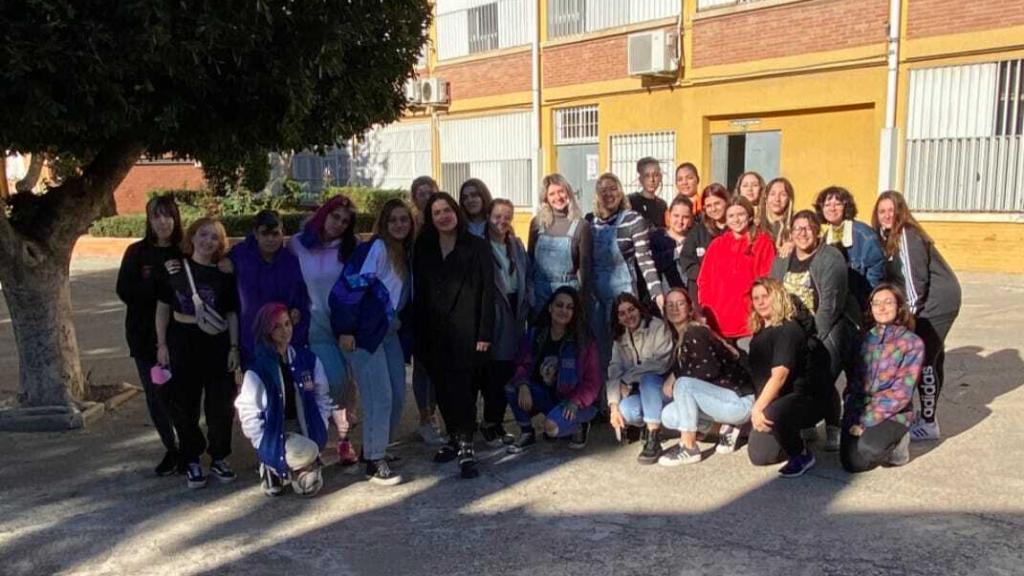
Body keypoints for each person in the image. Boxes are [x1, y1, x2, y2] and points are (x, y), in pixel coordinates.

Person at [331, 199, 415, 485]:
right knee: (379, 395)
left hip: (389, 332)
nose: (399, 225)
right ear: (383, 223)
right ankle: (374, 460)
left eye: (404, 219)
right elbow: (349, 288)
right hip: (364, 334)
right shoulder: (375, 249)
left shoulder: (404, 253)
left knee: (397, 394)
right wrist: (345, 328)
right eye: (393, 220)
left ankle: (375, 448)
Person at [413, 192, 495, 479]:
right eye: (436, 213)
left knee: (463, 390)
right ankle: (452, 438)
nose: (443, 216)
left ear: (455, 212)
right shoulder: (423, 247)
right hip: (433, 332)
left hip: (467, 330)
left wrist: (485, 332)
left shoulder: (477, 246)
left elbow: (487, 292)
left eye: (447, 210)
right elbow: (419, 293)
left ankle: (466, 444)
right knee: (442, 389)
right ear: (430, 219)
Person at [154, 217, 240, 489]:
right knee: (184, 405)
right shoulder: (176, 270)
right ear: (192, 237)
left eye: (214, 237)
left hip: (216, 342)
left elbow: (231, 312)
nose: (208, 241)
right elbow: (163, 309)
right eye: (203, 235)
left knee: (221, 406)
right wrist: (162, 344)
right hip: (183, 340)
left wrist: (234, 347)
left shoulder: (224, 273)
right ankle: (191, 458)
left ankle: (218, 457)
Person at [872, 190, 961, 441]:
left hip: (936, 303)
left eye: (891, 211)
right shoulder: (886, 237)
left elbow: (914, 284)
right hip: (926, 302)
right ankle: (927, 416)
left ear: (901, 212)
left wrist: (905, 320)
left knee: (924, 359)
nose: (887, 216)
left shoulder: (907, 236)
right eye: (882, 212)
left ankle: (929, 422)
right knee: (932, 355)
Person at [770, 210, 859, 451]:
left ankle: (833, 424)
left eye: (808, 228)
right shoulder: (783, 258)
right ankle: (805, 421)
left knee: (822, 371)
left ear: (817, 231)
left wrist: (812, 340)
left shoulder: (830, 258)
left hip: (826, 327)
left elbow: (830, 305)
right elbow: (773, 292)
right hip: (792, 329)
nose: (802, 233)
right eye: (797, 228)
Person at [288, 195, 360, 465]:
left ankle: (343, 439)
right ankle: (327, 430)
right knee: (334, 381)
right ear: (324, 214)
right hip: (314, 325)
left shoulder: (352, 247)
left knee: (349, 383)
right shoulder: (297, 244)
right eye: (335, 216)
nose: (339, 224)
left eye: (345, 221)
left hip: (344, 325)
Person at [116, 195, 184, 476]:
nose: (163, 221)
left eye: (168, 215)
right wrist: (157, 277)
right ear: (149, 220)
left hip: (181, 338)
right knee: (157, 396)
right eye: (156, 216)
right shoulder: (136, 253)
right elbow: (126, 292)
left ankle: (189, 447)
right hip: (144, 339)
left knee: (182, 396)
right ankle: (172, 448)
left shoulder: (185, 250)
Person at [235, 303, 333, 496]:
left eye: (287, 324)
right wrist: (263, 442)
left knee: (309, 487)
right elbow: (247, 411)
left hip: (304, 428)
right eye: (277, 326)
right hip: (277, 432)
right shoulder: (259, 369)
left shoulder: (307, 360)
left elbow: (322, 395)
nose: (285, 331)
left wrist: (320, 423)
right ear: (267, 330)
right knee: (285, 481)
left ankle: (296, 468)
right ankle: (272, 465)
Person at [658, 289, 755, 466]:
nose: (674, 308)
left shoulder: (696, 333)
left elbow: (709, 370)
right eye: (670, 305)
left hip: (739, 401)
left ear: (689, 308)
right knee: (668, 415)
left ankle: (689, 447)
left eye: (680, 303)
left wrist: (677, 378)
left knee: (684, 386)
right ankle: (727, 428)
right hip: (721, 403)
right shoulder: (680, 337)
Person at [745, 278, 830, 478]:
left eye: (766, 296)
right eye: (756, 298)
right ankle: (788, 432)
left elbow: (780, 376)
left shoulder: (787, 329)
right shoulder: (759, 333)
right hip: (776, 401)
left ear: (778, 296)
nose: (761, 302)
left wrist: (757, 408)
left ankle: (801, 454)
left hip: (801, 398)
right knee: (760, 455)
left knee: (770, 414)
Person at [505, 287, 601, 453]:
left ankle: (579, 425)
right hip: (547, 395)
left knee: (551, 429)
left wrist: (575, 401)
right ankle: (527, 433)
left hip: (574, 402)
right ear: (550, 308)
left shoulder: (584, 341)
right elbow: (522, 363)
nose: (564, 310)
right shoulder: (536, 334)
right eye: (559, 305)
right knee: (512, 388)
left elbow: (593, 382)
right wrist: (523, 384)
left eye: (569, 307)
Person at [585, 172, 663, 374]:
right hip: (597, 299)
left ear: (620, 192)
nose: (608, 194)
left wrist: (658, 294)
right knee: (600, 350)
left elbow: (645, 260)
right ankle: (603, 399)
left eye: (613, 188)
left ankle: (629, 393)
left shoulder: (633, 220)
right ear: (597, 195)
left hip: (624, 297)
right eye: (603, 190)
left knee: (627, 347)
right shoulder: (589, 222)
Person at [841, 284, 924, 472]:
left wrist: (866, 421)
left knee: (869, 449)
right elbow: (852, 381)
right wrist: (851, 413)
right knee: (853, 463)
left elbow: (901, 393)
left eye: (888, 302)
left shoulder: (911, 343)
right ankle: (868, 437)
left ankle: (899, 444)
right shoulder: (862, 338)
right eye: (876, 303)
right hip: (860, 408)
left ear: (899, 307)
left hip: (893, 412)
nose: (882, 308)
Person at [226, 209, 309, 366]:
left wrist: (297, 310)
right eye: (265, 234)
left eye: (275, 234)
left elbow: (300, 296)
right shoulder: (240, 255)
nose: (270, 239)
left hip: (282, 339)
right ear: (256, 233)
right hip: (250, 338)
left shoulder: (290, 262)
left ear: (282, 234)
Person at [482, 198, 530, 446]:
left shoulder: (515, 244)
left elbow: (525, 274)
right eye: (497, 216)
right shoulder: (481, 246)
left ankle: (498, 422)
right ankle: (490, 422)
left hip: (515, 311)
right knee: (496, 372)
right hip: (495, 312)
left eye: (507, 216)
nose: (502, 221)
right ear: (488, 217)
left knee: (510, 369)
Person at [697, 196, 776, 347]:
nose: (736, 219)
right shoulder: (717, 245)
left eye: (741, 214)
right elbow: (704, 280)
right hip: (718, 324)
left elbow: (768, 281)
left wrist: (762, 314)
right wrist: (706, 309)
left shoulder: (763, 242)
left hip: (749, 323)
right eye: (731, 216)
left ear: (750, 216)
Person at [606, 294, 674, 464]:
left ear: (639, 309)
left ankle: (653, 437)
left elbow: (660, 364)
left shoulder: (658, 327)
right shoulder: (620, 339)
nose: (628, 316)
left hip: (666, 389)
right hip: (641, 394)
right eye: (622, 313)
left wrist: (627, 379)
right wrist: (613, 407)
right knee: (626, 409)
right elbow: (614, 370)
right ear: (617, 318)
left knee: (649, 380)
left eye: (631, 309)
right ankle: (647, 424)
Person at [408, 175, 444, 445]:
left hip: (444, 307)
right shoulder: (409, 227)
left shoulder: (444, 222)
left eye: (429, 191)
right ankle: (426, 417)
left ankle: (440, 414)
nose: (425, 196)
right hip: (417, 306)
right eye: (420, 193)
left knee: (440, 365)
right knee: (422, 366)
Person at [528, 173, 592, 315]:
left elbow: (585, 270)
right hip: (540, 295)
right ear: (546, 198)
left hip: (568, 297)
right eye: (552, 194)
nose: (558, 197)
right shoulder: (537, 223)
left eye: (561, 191)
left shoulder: (581, 226)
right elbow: (529, 261)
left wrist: (583, 304)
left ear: (568, 192)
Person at [814, 186, 885, 311]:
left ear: (846, 207)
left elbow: (875, 277)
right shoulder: (825, 239)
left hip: (860, 305)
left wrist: (866, 303)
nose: (832, 208)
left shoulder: (864, 235)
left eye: (837, 204)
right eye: (827, 204)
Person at [680, 183, 730, 307]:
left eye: (717, 203)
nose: (713, 209)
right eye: (708, 206)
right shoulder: (698, 232)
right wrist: (707, 275)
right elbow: (687, 260)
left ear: (727, 202)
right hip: (702, 293)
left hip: (730, 292)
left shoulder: (735, 230)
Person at [649, 195, 695, 289]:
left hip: (692, 295)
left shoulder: (695, 238)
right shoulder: (656, 237)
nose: (680, 221)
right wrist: (676, 252)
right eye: (676, 216)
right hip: (666, 295)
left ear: (691, 219)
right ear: (668, 216)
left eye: (685, 217)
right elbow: (652, 264)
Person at [628, 156, 667, 229]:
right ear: (640, 179)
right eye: (647, 176)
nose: (652, 180)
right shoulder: (630, 201)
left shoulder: (662, 205)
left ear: (660, 177)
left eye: (655, 175)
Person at [760, 177, 794, 251]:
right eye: (772, 194)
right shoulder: (756, 225)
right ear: (766, 197)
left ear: (789, 199)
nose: (777, 199)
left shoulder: (795, 224)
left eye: (783, 195)